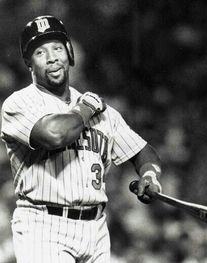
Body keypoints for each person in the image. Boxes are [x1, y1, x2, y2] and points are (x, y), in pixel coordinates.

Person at [0, 15, 162, 263]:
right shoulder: (20, 103)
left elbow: (142, 150)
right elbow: (55, 134)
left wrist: (149, 175)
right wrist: (85, 109)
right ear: (28, 63)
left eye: (57, 48)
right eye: (40, 52)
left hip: (96, 228)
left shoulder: (101, 110)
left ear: (69, 53)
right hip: (43, 225)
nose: (52, 57)